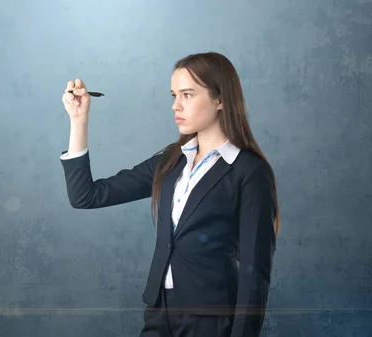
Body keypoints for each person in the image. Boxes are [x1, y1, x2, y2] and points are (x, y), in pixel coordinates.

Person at [58, 52, 280, 337]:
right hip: (159, 311)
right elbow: (85, 196)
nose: (176, 105)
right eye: (174, 95)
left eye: (187, 95)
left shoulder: (249, 171)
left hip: (211, 316)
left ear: (220, 99)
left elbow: (254, 271)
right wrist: (79, 120)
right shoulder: (169, 161)